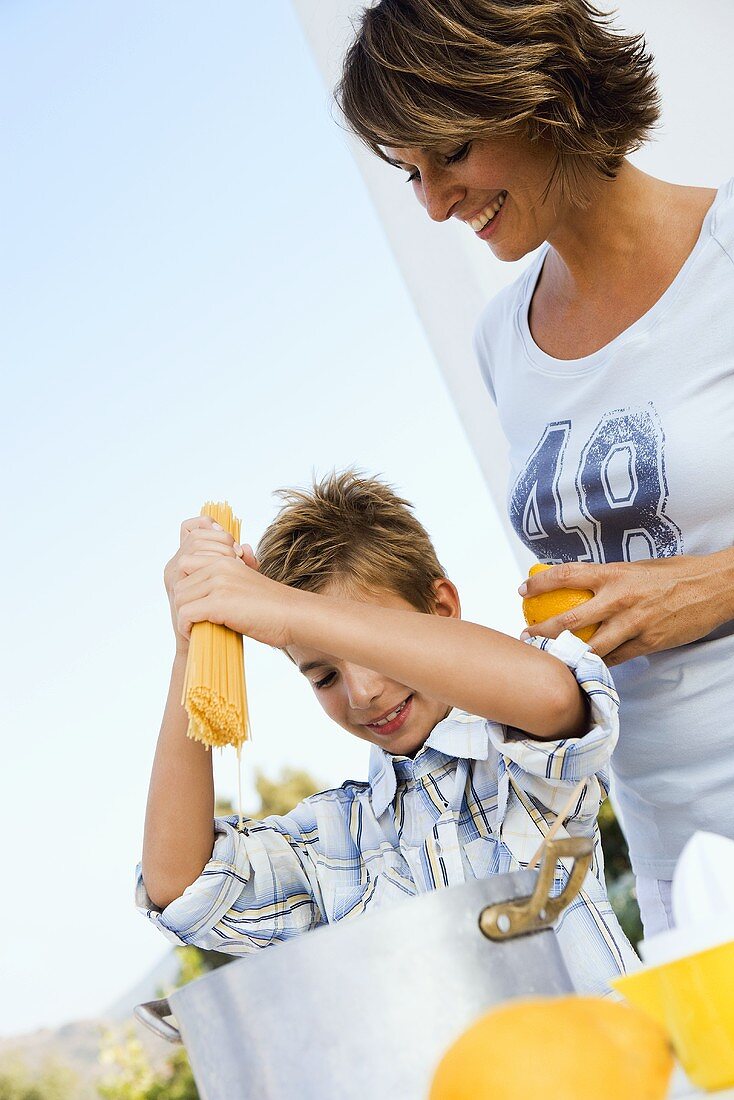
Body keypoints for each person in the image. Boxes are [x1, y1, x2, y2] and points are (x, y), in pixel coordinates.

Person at [335, 0, 734, 936]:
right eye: (410, 172)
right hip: (679, 844)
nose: (433, 202)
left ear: (539, 94)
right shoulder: (501, 343)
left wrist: (717, 587)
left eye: (452, 154)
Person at [137, 470, 636, 994]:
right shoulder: (336, 836)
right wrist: (193, 644)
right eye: (325, 675)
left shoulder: (513, 749)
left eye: (372, 650)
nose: (362, 693)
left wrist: (287, 613)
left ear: (440, 607)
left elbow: (554, 697)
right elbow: (181, 885)